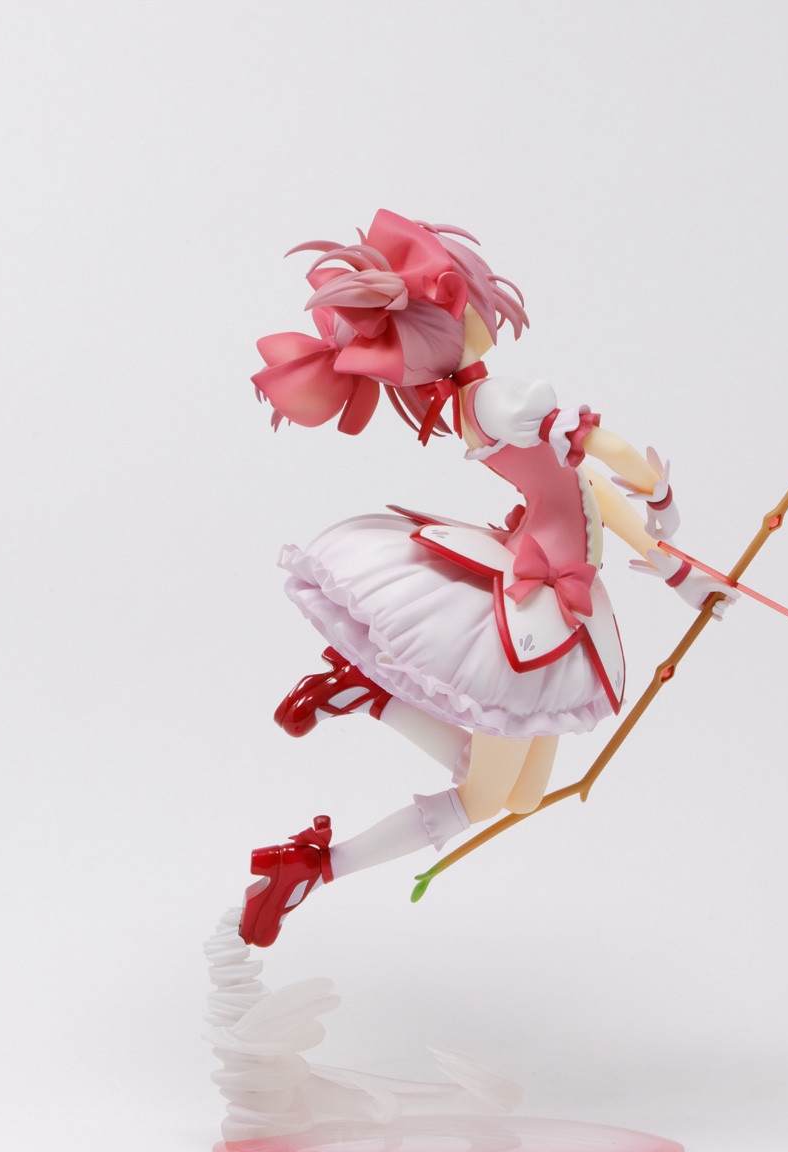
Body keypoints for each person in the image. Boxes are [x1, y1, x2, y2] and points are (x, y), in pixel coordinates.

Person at [240, 210, 735, 947]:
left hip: (556, 580)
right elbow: (601, 455)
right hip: (540, 593)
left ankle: (368, 697)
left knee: (522, 796)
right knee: (484, 796)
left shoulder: (470, 399)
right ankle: (313, 867)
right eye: (469, 297)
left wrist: (668, 553)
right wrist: (663, 519)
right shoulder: (497, 399)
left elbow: (583, 486)